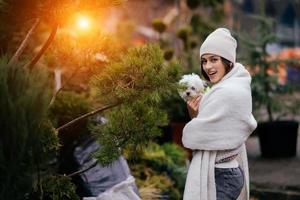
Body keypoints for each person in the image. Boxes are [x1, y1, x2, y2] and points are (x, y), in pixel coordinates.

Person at [182, 28, 257, 200]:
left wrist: (194, 121)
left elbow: (193, 137)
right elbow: (211, 132)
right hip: (224, 171)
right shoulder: (230, 86)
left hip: (222, 175)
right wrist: (195, 115)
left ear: (227, 60)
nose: (208, 66)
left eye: (214, 60)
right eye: (204, 61)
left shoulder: (228, 92)